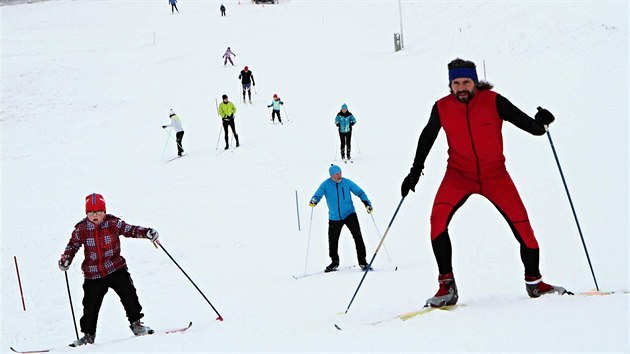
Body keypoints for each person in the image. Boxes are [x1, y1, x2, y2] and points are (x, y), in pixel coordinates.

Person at [400, 58, 569, 308]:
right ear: (450, 85)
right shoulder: (442, 107)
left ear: (475, 82)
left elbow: (532, 127)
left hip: (495, 177)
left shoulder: (494, 101)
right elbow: (427, 136)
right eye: (456, 83)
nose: (461, 87)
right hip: (458, 175)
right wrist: (415, 171)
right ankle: (447, 286)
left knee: (525, 229)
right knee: (437, 221)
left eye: (466, 82)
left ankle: (535, 282)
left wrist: (542, 122)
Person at [58, 193, 160, 347]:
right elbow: (73, 245)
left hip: (116, 268)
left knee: (129, 295)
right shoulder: (82, 229)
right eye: (91, 212)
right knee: (90, 307)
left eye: (98, 211)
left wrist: (146, 232)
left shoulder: (113, 223)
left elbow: (130, 230)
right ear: (86, 214)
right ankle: (88, 335)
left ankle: (137, 324)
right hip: (93, 274)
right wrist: (66, 258)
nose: (95, 215)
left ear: (104, 212)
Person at [309, 164, 374, 272]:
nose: (339, 176)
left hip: (350, 214)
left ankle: (363, 262)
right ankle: (334, 262)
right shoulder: (325, 185)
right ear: (331, 176)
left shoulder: (346, 182)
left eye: (340, 173)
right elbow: (318, 194)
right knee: (333, 241)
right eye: (336, 174)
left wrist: (366, 203)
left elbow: (360, 192)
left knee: (358, 237)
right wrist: (314, 200)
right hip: (334, 217)